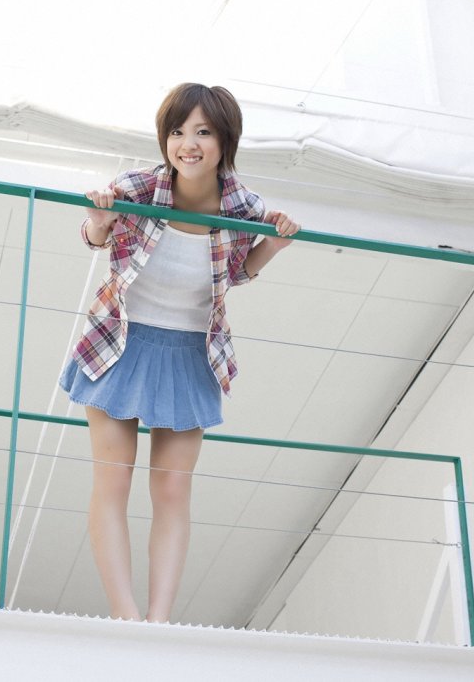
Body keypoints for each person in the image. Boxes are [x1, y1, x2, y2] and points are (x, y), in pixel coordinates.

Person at [59, 83, 300, 623]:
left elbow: (237, 273)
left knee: (172, 489)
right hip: (119, 343)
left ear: (225, 141)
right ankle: (126, 617)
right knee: (114, 478)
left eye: (202, 132)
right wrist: (98, 219)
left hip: (192, 352)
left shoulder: (244, 206)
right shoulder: (139, 187)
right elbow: (95, 237)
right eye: (177, 131)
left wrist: (275, 244)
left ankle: (159, 621)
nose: (187, 144)